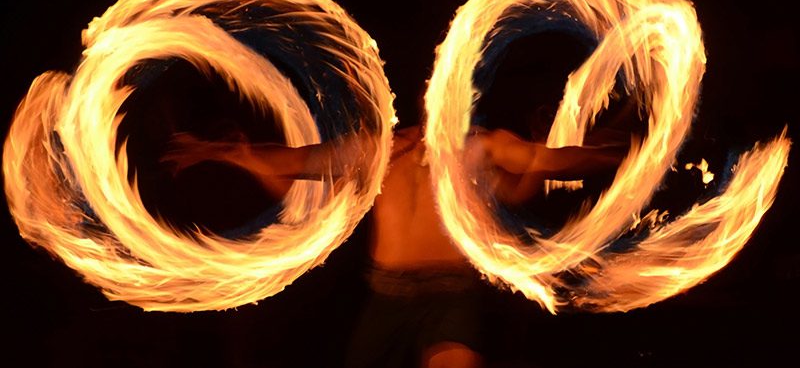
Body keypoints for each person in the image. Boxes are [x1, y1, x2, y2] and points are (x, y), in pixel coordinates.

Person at [163, 121, 629, 368]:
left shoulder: (480, 148)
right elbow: (297, 161)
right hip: (387, 296)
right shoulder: (377, 151)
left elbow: (545, 158)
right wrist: (223, 152)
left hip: (450, 293)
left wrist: (615, 155)